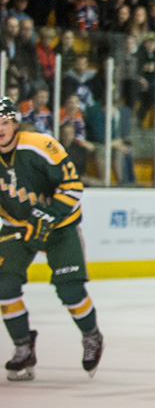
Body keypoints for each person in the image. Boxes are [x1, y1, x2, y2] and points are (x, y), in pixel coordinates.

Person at [0, 96, 103, 381]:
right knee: (4, 285)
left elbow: (72, 184)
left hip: (61, 225)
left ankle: (91, 335)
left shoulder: (39, 145)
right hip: (17, 226)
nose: (0, 129)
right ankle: (23, 347)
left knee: (69, 289)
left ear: (15, 124)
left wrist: (50, 213)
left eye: (5, 122)